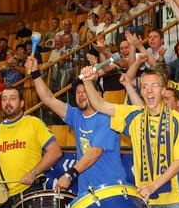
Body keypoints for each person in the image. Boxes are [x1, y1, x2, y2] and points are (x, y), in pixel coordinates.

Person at [80, 66, 179, 208]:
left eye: (154, 86)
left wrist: (152, 186)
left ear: (162, 90)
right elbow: (101, 105)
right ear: (140, 91)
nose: (149, 90)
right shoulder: (134, 116)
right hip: (146, 197)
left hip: (175, 198)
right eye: (144, 87)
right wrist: (88, 82)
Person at [27, 57, 125, 193]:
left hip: (111, 189)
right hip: (87, 192)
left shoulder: (107, 117)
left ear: (98, 94)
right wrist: (35, 73)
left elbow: (95, 152)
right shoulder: (76, 115)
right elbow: (48, 99)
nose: (81, 95)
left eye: (85, 91)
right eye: (78, 92)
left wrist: (70, 174)